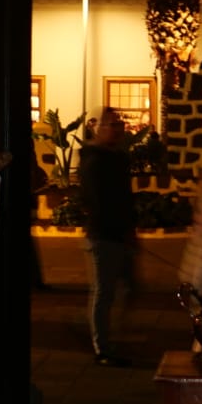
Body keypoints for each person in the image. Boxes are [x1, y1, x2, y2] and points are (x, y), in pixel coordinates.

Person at [79, 107, 136, 367]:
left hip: (118, 233)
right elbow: (98, 200)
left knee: (121, 288)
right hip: (103, 234)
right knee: (103, 292)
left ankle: (111, 337)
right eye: (112, 125)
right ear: (98, 128)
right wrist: (116, 226)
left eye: (120, 125)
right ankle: (101, 345)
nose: (117, 130)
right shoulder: (95, 160)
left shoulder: (117, 158)